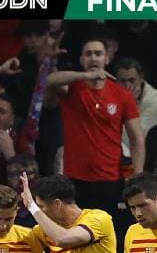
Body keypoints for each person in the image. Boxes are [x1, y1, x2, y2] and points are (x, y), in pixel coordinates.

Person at [45, 36, 145, 216]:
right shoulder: (72, 88)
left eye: (98, 54)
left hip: (110, 178)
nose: (93, 58)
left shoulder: (122, 95)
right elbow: (51, 80)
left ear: (107, 58)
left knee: (105, 229)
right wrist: (86, 75)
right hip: (75, 178)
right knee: (75, 228)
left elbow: (137, 138)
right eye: (88, 54)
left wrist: (137, 176)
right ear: (81, 60)